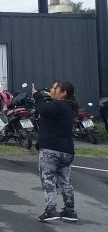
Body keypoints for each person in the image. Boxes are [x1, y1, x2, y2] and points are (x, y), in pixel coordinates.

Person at [33, 80, 79, 223]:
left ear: (63, 93)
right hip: (67, 150)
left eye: (55, 88)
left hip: (51, 149)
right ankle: (69, 211)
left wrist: (38, 97)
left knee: (48, 179)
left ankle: (50, 210)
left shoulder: (58, 105)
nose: (52, 90)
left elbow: (43, 110)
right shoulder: (68, 107)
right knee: (65, 180)